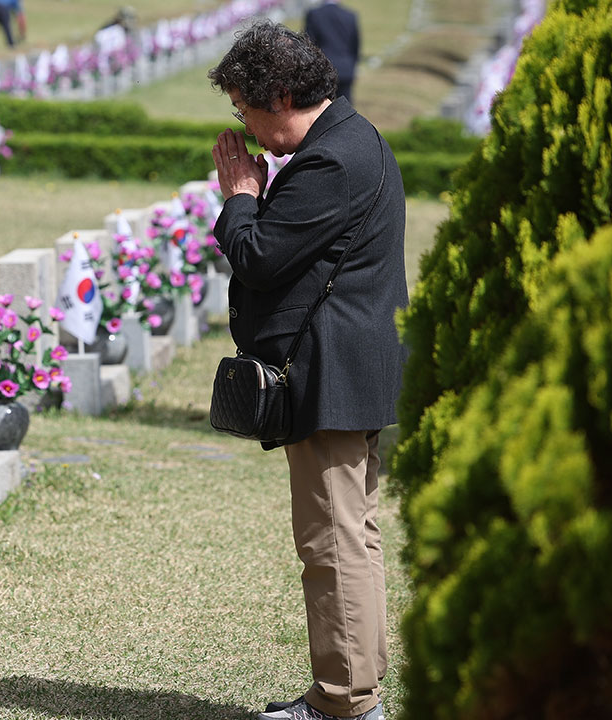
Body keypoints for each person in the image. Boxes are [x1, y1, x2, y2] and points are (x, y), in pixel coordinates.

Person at [207, 20, 406, 720]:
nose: (246, 128)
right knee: (351, 535)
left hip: (332, 374)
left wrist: (238, 193)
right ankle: (353, 689)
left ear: (282, 94)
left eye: (245, 110)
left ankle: (347, 702)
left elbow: (258, 254)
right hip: (347, 370)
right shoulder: (346, 141)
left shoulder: (332, 161)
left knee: (331, 541)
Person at [305, 0, 360, 101]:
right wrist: (353, 65)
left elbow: (309, 43)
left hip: (323, 68)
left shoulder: (314, 14)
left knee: (322, 107)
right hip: (345, 68)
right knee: (345, 108)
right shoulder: (350, 15)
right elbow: (355, 44)